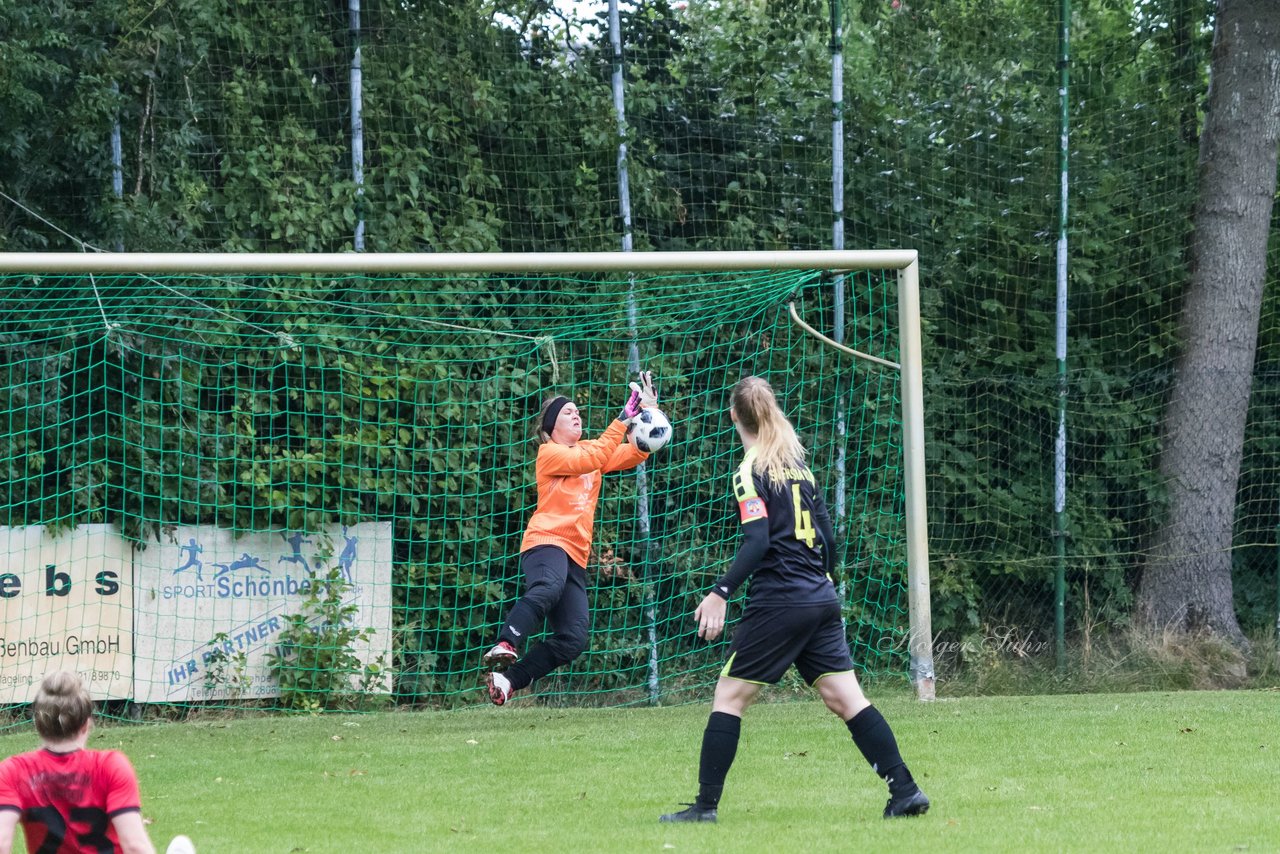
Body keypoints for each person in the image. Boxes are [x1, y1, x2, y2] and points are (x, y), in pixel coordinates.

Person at [660, 376, 929, 823]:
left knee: (728, 698)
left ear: (734, 416)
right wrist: (821, 583)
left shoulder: (750, 471)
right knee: (846, 698)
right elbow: (827, 538)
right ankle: (905, 791)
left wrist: (720, 592)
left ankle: (704, 809)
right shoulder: (800, 469)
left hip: (781, 601)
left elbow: (758, 541)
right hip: (820, 597)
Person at [482, 372, 657, 705]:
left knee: (573, 639)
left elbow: (634, 452)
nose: (576, 414)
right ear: (551, 429)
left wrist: (648, 416)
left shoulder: (592, 449)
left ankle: (507, 681)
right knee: (548, 587)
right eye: (568, 412)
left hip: (576, 555)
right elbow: (591, 458)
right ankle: (506, 643)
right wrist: (622, 419)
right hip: (546, 542)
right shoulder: (550, 453)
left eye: (577, 411)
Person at [0, 671, 197, 854]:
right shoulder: (110, 766)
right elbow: (134, 845)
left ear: (38, 723)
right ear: (86, 724)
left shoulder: (13, 771)